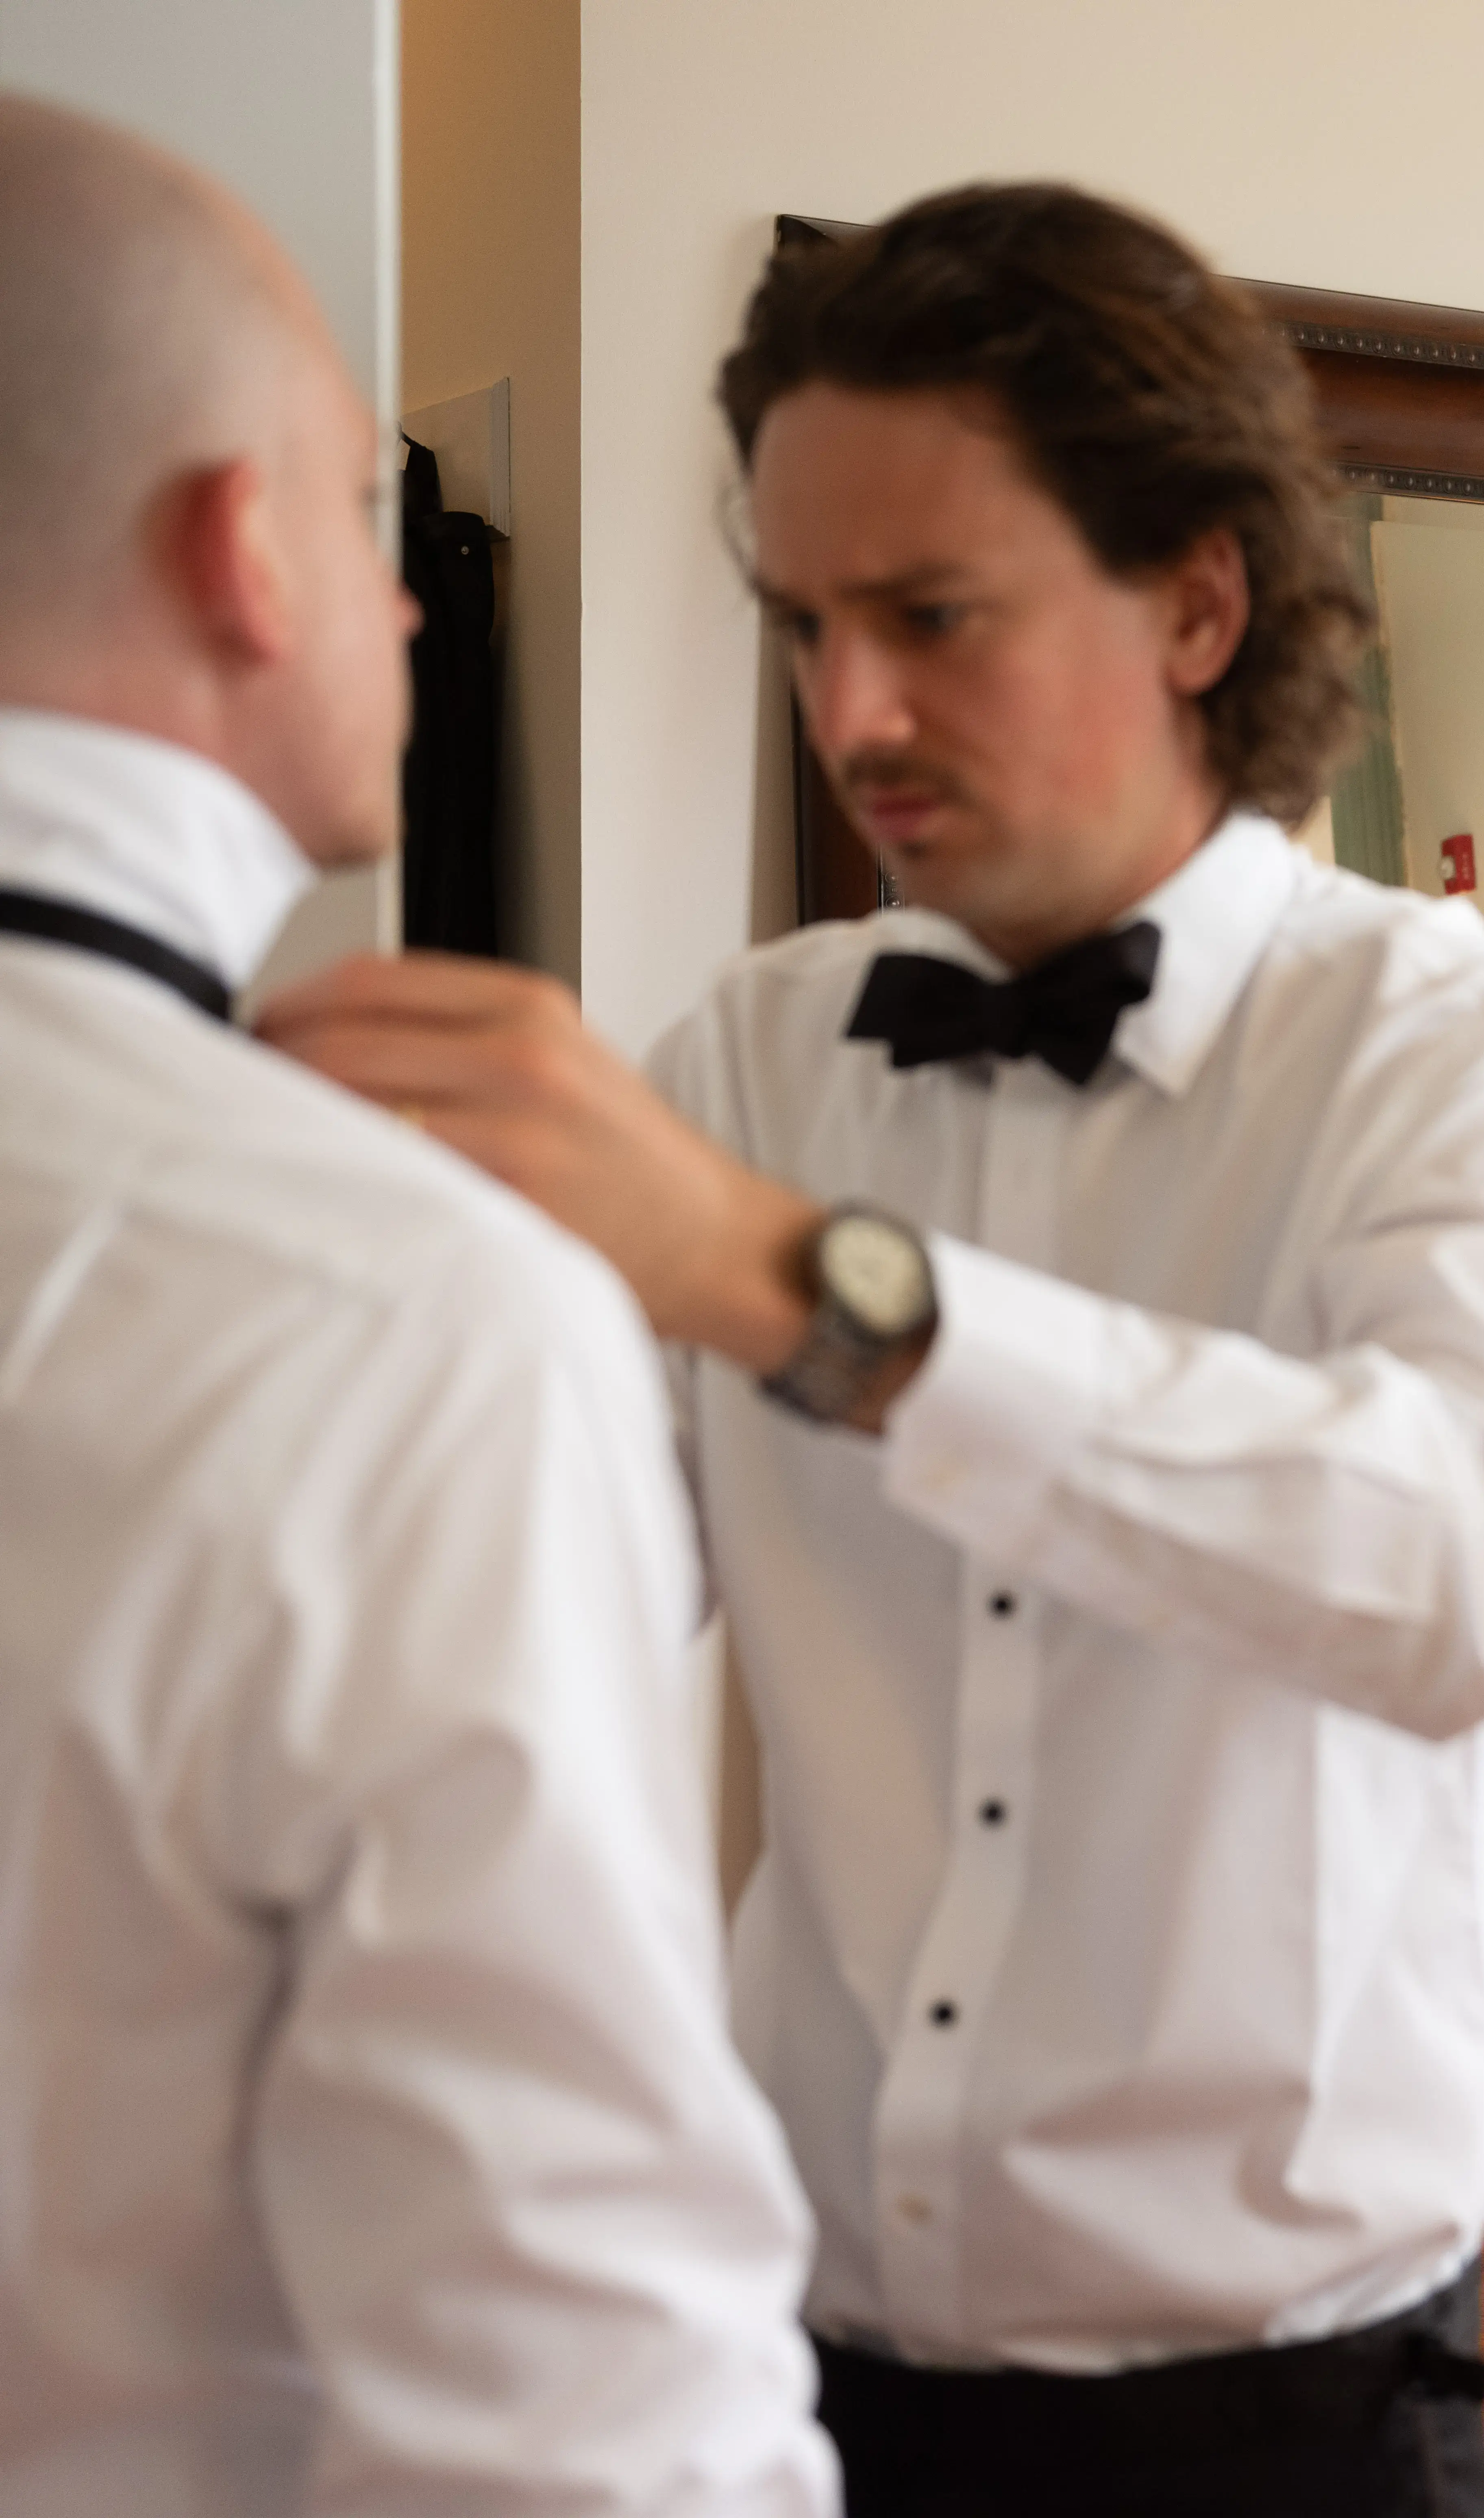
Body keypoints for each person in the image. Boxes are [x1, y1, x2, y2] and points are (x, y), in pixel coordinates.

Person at [264, 183, 1484, 2518]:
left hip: (1285, 2408)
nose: (849, 712)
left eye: (928, 617)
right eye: (806, 624)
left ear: (1200, 600)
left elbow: (1459, 1578)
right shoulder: (750, 1052)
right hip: (780, 2354)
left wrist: (821, 1300)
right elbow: (528, 1602)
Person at [0, 96, 831, 2513]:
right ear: (245, 548)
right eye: (368, 517)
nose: (401, 603)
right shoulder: (395, 1311)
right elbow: (585, 2407)